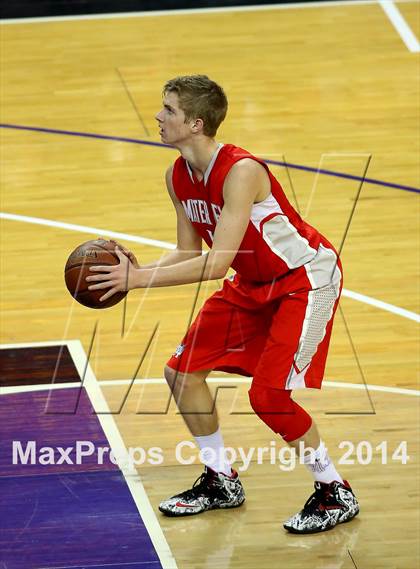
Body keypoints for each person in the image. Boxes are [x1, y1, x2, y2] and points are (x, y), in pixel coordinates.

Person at [86, 75, 359, 534]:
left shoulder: (241, 171)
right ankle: (221, 481)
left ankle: (335, 490)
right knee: (181, 370)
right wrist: (138, 271)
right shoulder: (177, 176)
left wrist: (136, 281)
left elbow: (214, 265)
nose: (158, 116)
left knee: (268, 397)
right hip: (251, 283)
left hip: (302, 281)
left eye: (168, 110)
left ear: (195, 123)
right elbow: (188, 252)